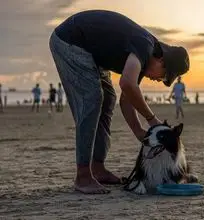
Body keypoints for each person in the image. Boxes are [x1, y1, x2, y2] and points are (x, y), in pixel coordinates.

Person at [49, 10, 190, 194]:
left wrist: (139, 131)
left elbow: (126, 99)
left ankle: (97, 167)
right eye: (164, 75)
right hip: (70, 40)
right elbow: (127, 84)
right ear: (161, 59)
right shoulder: (145, 47)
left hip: (90, 51)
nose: (159, 80)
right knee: (92, 100)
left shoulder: (145, 57)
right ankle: (83, 175)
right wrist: (151, 118)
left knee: (109, 98)